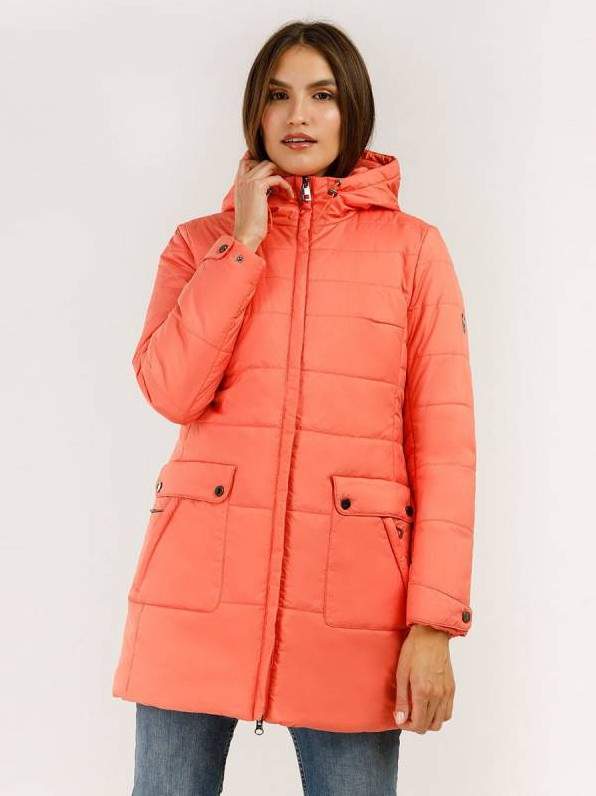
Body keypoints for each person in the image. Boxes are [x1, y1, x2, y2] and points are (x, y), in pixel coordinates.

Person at [112, 19, 477, 796]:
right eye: (278, 96)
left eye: (322, 95)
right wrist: (243, 244)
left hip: (353, 606)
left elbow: (447, 447)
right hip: (192, 594)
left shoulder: (414, 252)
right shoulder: (198, 243)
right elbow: (171, 390)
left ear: (353, 110)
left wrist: (434, 623)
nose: (299, 116)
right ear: (255, 111)